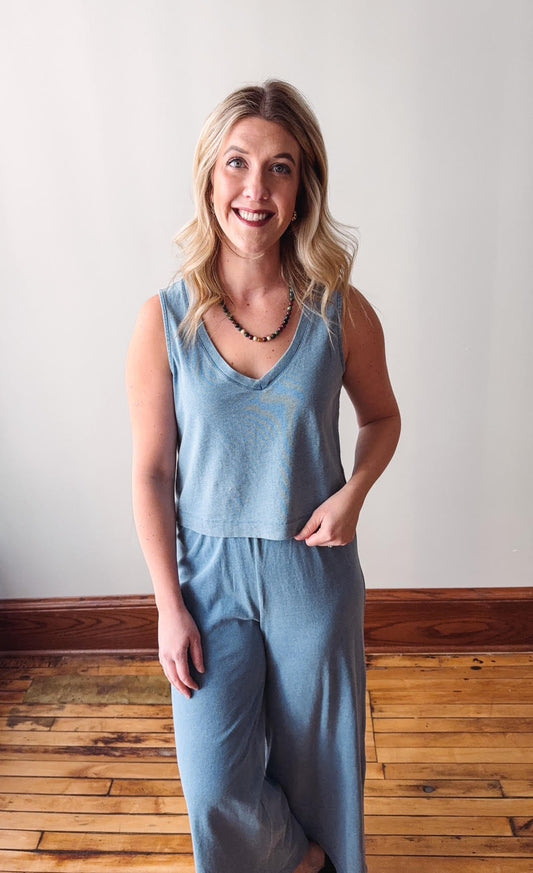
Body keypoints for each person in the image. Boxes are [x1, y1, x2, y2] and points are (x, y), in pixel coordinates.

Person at [126, 79, 400, 873]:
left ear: (302, 186)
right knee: (215, 783)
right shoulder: (164, 318)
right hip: (206, 574)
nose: (255, 189)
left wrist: (353, 493)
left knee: (323, 771)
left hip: (311, 571)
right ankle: (301, 860)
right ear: (209, 176)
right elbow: (150, 472)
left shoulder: (338, 311)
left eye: (279, 168)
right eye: (237, 163)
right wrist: (165, 603)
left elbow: (383, 419)